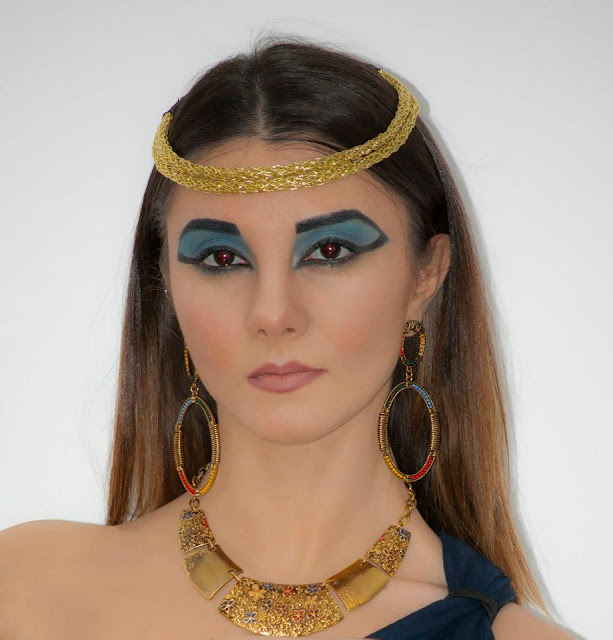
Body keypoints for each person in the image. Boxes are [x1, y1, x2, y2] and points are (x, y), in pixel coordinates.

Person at [0, 36, 576, 639]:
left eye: (329, 251)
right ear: (165, 282)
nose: (274, 314)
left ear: (425, 274)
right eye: (222, 258)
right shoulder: (28, 594)